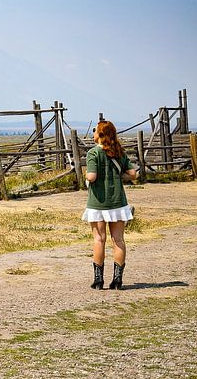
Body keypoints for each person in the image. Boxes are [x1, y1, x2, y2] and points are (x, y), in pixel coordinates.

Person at [82, 120, 137, 290]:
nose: (93, 133)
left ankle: (98, 280)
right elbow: (133, 174)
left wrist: (86, 177)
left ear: (100, 134)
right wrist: (119, 177)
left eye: (95, 130)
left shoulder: (93, 153)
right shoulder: (119, 153)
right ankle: (118, 280)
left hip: (98, 202)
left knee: (99, 239)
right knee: (118, 240)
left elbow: (91, 176)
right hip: (118, 202)